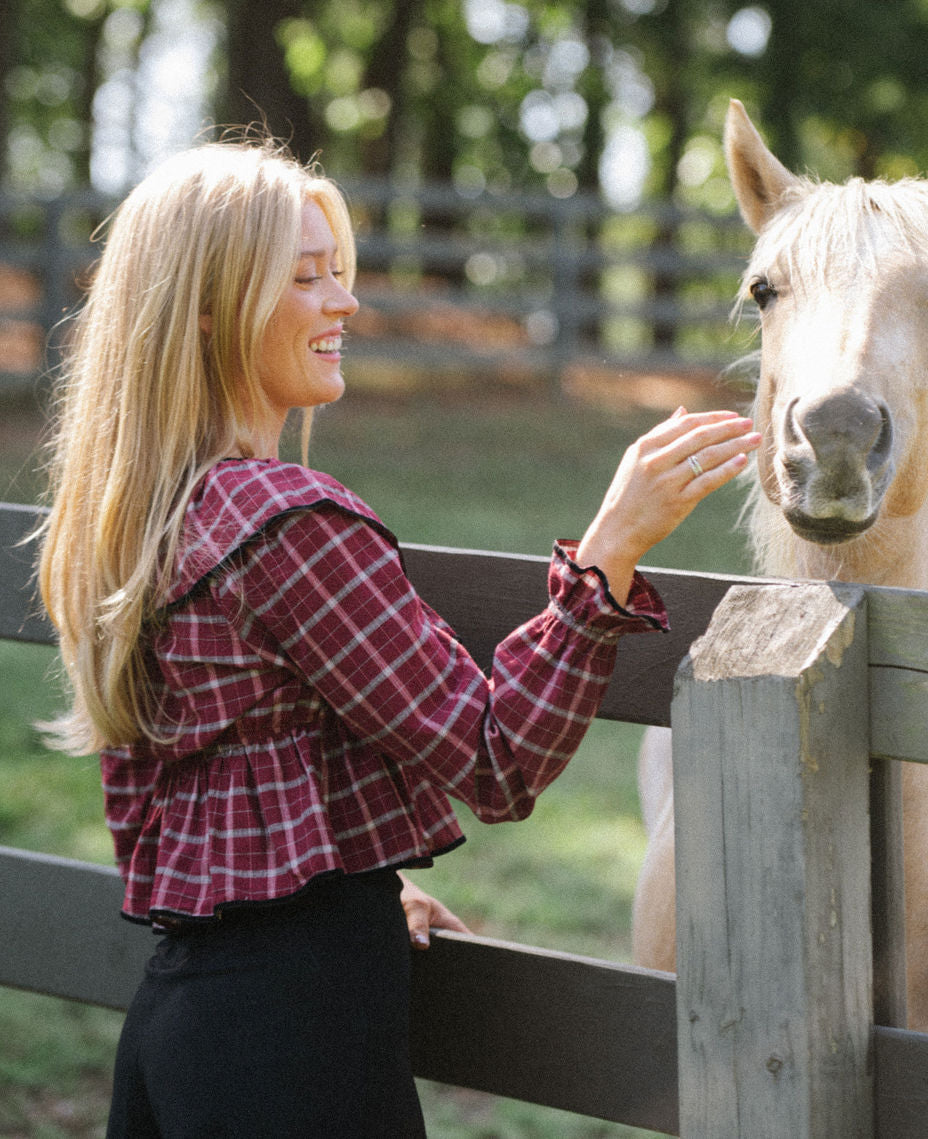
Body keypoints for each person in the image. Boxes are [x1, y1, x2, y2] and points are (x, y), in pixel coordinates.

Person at [37, 138, 761, 1139]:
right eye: (304, 278)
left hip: (185, 1022)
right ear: (205, 306)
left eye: (338, 272)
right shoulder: (288, 525)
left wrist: (350, 897)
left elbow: (208, 783)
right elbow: (494, 759)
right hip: (294, 1049)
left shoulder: (147, 520)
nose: (344, 303)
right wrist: (611, 550)